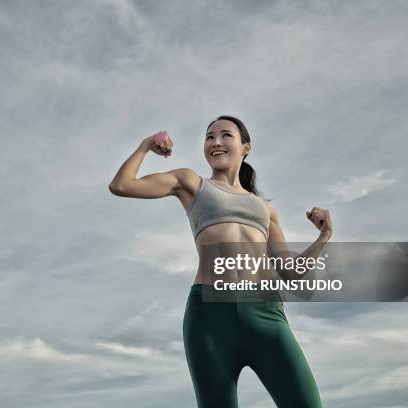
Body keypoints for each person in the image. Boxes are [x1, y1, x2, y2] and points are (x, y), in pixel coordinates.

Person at [108, 115, 333, 407]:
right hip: (209, 317)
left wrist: (324, 237)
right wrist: (145, 146)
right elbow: (122, 185)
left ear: (246, 147)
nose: (215, 142)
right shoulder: (191, 183)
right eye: (209, 137)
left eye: (226, 135)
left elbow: (291, 274)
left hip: (265, 314)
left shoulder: (266, 209)